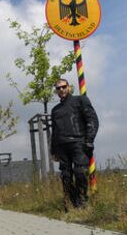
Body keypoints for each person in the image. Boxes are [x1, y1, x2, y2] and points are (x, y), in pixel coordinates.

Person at [51, 78, 99, 209]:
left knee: (80, 172)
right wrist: (53, 151)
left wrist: (89, 140)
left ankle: (82, 200)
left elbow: (92, 120)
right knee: (65, 176)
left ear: (69, 87)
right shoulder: (55, 110)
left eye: (63, 87)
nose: (61, 90)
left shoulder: (80, 100)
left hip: (79, 143)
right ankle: (70, 202)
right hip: (61, 147)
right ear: (56, 91)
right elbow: (54, 131)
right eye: (58, 88)